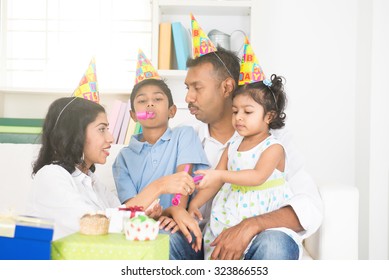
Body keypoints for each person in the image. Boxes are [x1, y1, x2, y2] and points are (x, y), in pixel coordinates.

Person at [168, 45, 323, 259]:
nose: (188, 98)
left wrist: (251, 226)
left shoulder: (276, 142)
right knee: (164, 238)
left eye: (197, 88)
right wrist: (186, 208)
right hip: (205, 239)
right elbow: (179, 194)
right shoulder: (185, 137)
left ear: (226, 87)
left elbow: (309, 206)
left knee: (274, 244)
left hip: (262, 238)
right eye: (187, 88)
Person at [27, 96, 194, 240]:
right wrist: (159, 186)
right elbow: (93, 225)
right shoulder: (51, 175)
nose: (111, 138)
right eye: (102, 129)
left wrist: (141, 217)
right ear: (75, 134)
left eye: (108, 129)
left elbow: (117, 215)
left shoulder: (92, 182)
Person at [189, 74, 303, 259]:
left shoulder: (273, 147)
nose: (239, 118)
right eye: (235, 111)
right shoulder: (233, 145)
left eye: (247, 112)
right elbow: (215, 181)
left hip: (261, 210)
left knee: (259, 248)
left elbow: (257, 177)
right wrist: (195, 203)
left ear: (269, 116)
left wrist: (221, 175)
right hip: (231, 208)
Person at [112, 50, 209, 234]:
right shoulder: (123, 159)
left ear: (172, 111)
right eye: (142, 101)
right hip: (143, 227)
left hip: (177, 225)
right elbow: (132, 209)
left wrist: (177, 210)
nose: (150, 104)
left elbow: (184, 181)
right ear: (133, 115)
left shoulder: (184, 135)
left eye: (157, 99)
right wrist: (160, 213)